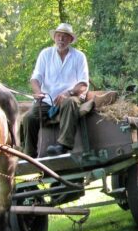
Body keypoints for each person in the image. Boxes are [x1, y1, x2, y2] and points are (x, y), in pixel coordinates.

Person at [23, 23, 89, 157]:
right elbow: (36, 78)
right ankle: (29, 154)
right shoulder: (45, 54)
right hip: (48, 100)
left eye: (65, 37)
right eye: (58, 36)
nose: (61, 39)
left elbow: (83, 84)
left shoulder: (79, 56)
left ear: (70, 40)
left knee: (70, 103)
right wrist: (37, 92)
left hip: (71, 97)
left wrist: (68, 93)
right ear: (54, 38)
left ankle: (63, 146)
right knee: (29, 118)